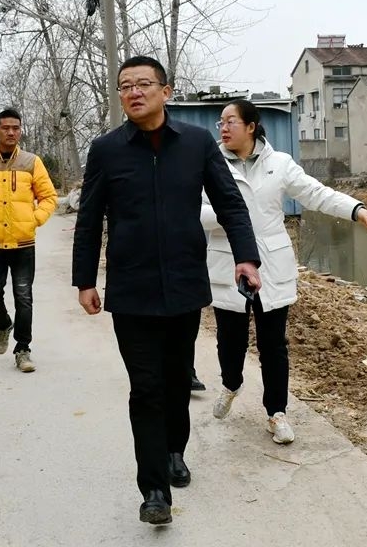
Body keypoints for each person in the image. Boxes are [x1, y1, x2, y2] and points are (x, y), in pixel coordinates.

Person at [72, 55, 261, 525]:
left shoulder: (196, 143)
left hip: (183, 285)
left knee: (177, 381)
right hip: (131, 289)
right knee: (146, 388)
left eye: (143, 84)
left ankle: (175, 450)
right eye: (125, 86)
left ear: (165, 91)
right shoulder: (107, 150)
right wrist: (84, 280)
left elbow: (230, 203)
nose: (133, 92)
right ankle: (154, 489)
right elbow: (89, 218)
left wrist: (246, 257)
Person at [202, 99, 367, 445]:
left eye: (230, 121)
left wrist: (355, 209)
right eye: (220, 123)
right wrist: (227, 216)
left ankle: (277, 413)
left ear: (251, 126)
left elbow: (315, 194)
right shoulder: (209, 162)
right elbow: (193, 209)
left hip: (271, 265)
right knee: (230, 341)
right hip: (229, 261)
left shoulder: (280, 164)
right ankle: (231, 384)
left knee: (274, 345)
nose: (223, 128)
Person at [0, 108, 58, 372]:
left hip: (23, 244)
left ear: (20, 131)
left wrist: (33, 219)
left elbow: (49, 197)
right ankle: (4, 324)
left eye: (16, 128)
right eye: (5, 128)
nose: (11, 132)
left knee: (24, 297)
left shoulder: (31, 162)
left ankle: (23, 349)